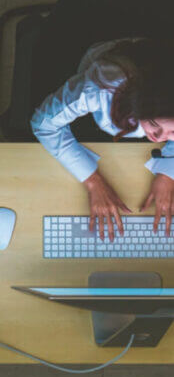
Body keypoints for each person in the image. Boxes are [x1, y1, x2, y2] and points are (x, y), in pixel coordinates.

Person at [32, 37, 174, 242]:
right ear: (140, 104)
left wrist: (168, 173)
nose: (158, 140)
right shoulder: (99, 90)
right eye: (154, 124)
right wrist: (92, 181)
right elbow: (43, 123)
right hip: (110, 68)